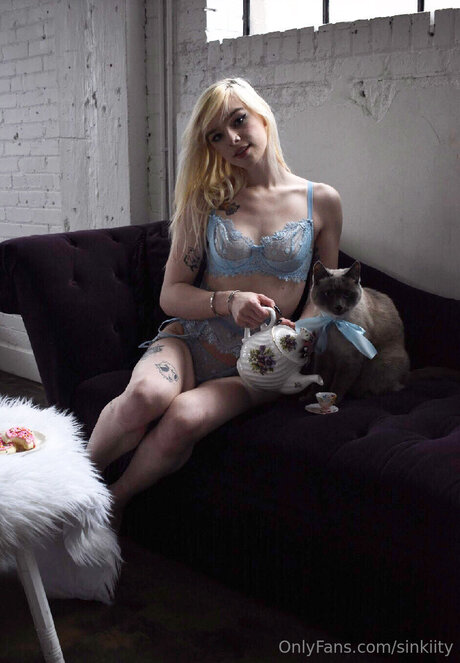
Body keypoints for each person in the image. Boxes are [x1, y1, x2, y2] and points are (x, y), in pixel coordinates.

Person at [87, 77, 342, 525]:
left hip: (257, 364)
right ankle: (68, 490)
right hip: (191, 341)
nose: (233, 140)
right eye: (216, 136)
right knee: (144, 395)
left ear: (263, 115)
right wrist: (228, 300)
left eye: (239, 121)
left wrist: (297, 338)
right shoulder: (205, 202)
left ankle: (110, 507)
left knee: (185, 416)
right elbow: (171, 294)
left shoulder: (321, 200)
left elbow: (326, 293)